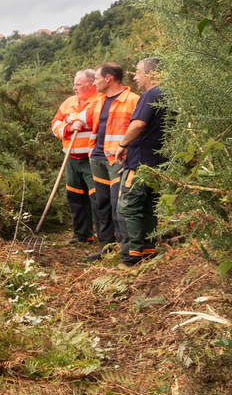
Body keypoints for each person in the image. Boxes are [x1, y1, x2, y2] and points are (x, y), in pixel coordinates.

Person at [113, 57, 168, 268]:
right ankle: (148, 251)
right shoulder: (171, 95)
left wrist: (123, 144)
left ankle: (131, 257)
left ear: (152, 74)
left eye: (138, 72)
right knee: (149, 208)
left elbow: (138, 125)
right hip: (159, 164)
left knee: (129, 208)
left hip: (140, 164)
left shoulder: (151, 95)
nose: (135, 77)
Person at [84, 63, 139, 261]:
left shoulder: (132, 100)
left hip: (118, 160)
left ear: (108, 79)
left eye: (97, 78)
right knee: (102, 204)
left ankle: (125, 249)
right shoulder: (99, 100)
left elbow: (140, 127)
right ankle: (107, 247)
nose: (95, 82)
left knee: (119, 205)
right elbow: (86, 118)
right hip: (97, 158)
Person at [50, 69, 101, 242]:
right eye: (74, 84)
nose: (74, 88)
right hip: (71, 159)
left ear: (90, 84)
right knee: (75, 196)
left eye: (78, 84)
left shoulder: (99, 100)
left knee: (98, 197)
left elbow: (93, 119)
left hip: (91, 160)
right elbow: (55, 124)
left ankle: (106, 236)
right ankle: (82, 235)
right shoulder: (68, 102)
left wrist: (73, 119)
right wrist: (68, 127)